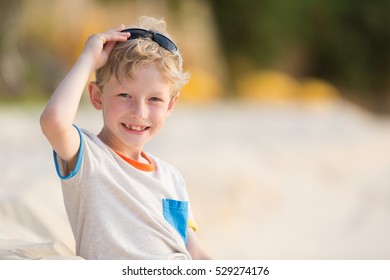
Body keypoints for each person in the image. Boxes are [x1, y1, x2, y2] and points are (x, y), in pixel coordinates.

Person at [40, 16, 210, 260]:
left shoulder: (172, 178)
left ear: (171, 105)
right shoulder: (89, 157)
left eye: (154, 99)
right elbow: (53, 121)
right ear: (97, 97)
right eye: (124, 95)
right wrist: (88, 60)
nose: (139, 112)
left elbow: (195, 252)